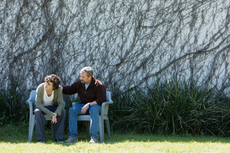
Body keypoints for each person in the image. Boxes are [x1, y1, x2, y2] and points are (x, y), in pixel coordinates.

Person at [62, 66, 106, 143]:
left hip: (96, 106)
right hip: (83, 106)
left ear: (89, 77)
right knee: (72, 110)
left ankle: (94, 138)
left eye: (83, 77)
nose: (80, 78)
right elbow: (69, 90)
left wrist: (88, 104)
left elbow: (101, 99)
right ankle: (73, 137)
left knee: (94, 109)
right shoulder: (79, 84)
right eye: (81, 76)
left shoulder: (98, 85)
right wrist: (59, 88)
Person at [34, 74, 66, 143]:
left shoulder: (58, 89)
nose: (46, 84)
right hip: (42, 108)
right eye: (46, 82)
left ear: (54, 87)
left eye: (48, 84)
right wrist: (51, 114)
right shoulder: (40, 87)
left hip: (52, 107)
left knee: (63, 111)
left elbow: (61, 103)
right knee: (37, 112)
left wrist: (55, 113)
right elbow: (38, 104)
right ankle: (41, 139)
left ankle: (59, 138)